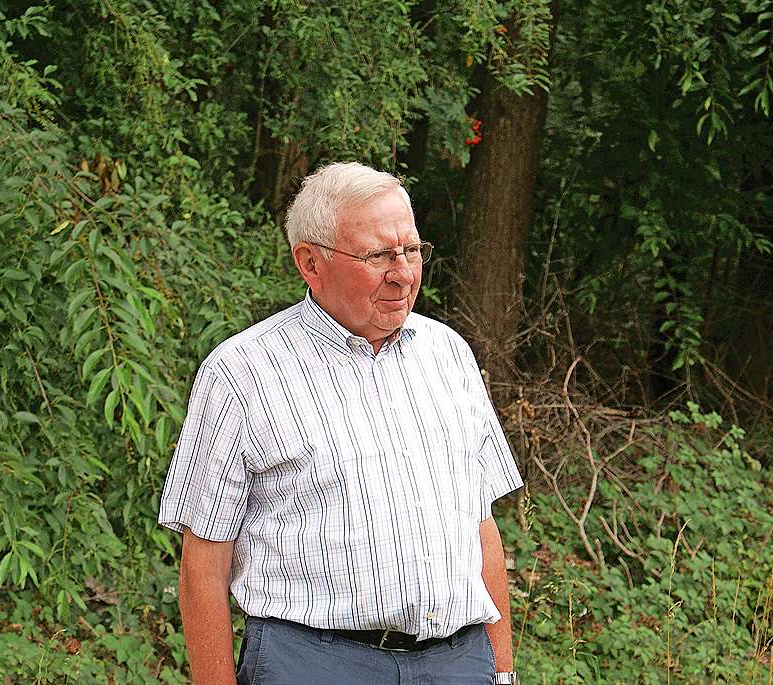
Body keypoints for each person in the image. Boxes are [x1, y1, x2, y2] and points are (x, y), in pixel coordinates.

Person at [158, 162, 522, 685]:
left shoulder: (450, 355)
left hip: (457, 663)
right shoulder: (243, 373)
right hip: (312, 663)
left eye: (412, 250)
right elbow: (203, 560)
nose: (404, 273)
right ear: (310, 262)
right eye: (378, 255)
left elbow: (479, 527)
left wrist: (503, 672)